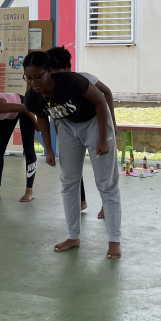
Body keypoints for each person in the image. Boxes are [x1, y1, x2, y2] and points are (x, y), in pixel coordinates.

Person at [23, 50, 122, 258]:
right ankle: (73, 236)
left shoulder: (72, 81)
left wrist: (103, 138)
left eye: (38, 76)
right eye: (29, 77)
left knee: (106, 182)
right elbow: (42, 119)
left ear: (49, 71)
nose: (33, 82)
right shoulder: (32, 96)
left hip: (95, 123)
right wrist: (49, 149)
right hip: (68, 127)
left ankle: (114, 240)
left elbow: (100, 101)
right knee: (68, 182)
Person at [48, 46, 116, 216]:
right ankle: (81, 201)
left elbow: (106, 93)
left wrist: (112, 124)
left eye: (59, 73)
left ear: (68, 69)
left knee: (103, 173)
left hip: (94, 125)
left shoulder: (83, 78)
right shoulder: (50, 84)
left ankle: (106, 204)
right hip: (70, 128)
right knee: (72, 173)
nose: (57, 78)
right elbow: (56, 110)